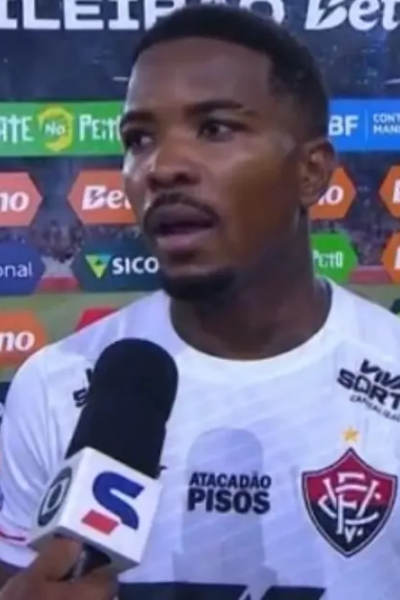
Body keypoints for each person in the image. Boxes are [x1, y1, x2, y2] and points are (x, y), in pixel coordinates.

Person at [0, 5, 399, 600]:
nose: (162, 168)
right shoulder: (55, 386)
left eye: (215, 129)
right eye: (139, 139)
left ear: (311, 172)